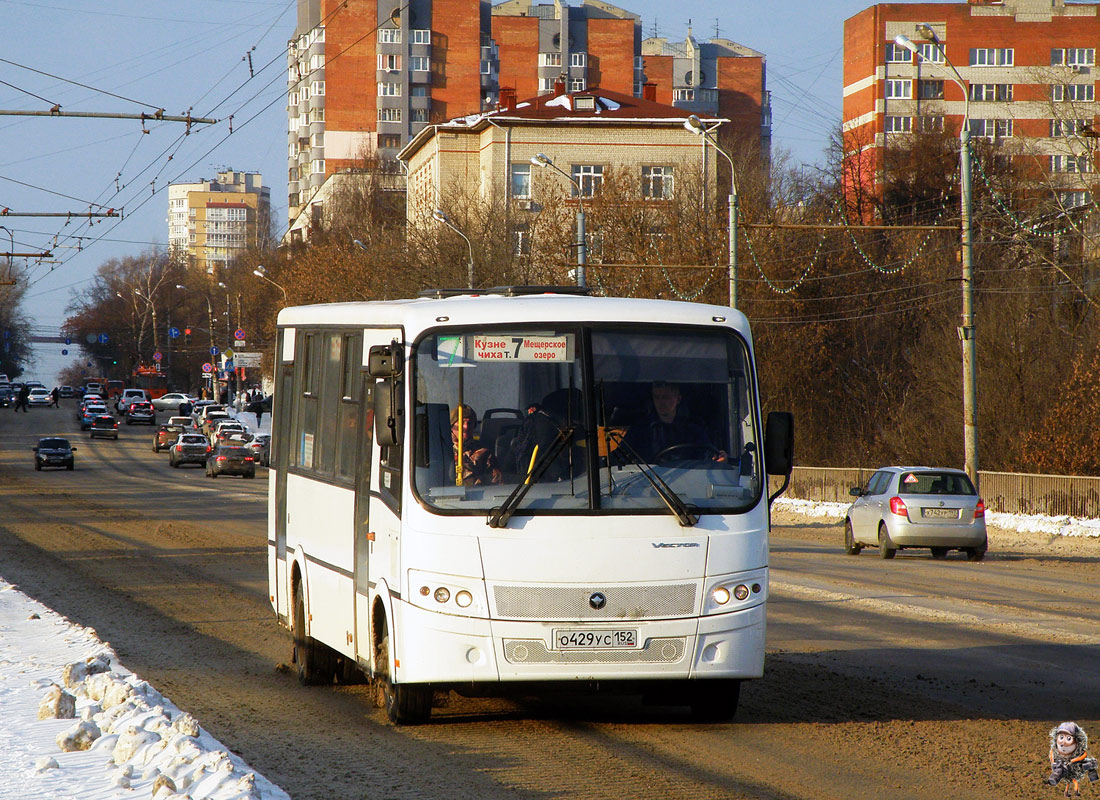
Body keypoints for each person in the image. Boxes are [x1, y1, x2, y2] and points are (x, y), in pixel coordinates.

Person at [620, 382, 726, 463]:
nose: (660, 402)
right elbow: (619, 458)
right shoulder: (641, 430)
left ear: (678, 399)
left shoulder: (693, 430)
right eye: (657, 397)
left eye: (666, 397)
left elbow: (710, 456)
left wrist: (720, 458)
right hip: (650, 486)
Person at [451, 404, 502, 486]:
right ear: (452, 425)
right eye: (461, 422)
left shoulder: (485, 453)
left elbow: (497, 485)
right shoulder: (441, 450)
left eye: (470, 423)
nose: (466, 427)